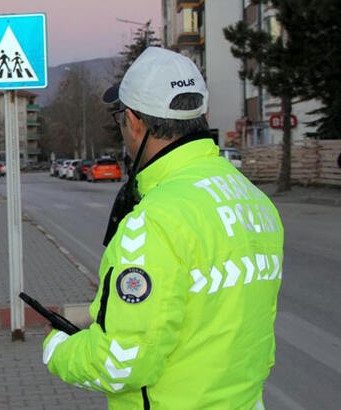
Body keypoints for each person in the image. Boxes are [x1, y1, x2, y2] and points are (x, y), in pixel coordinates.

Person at [41, 47, 284, 409]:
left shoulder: (154, 219)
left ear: (135, 122)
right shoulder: (254, 201)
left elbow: (121, 363)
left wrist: (57, 348)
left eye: (119, 117)